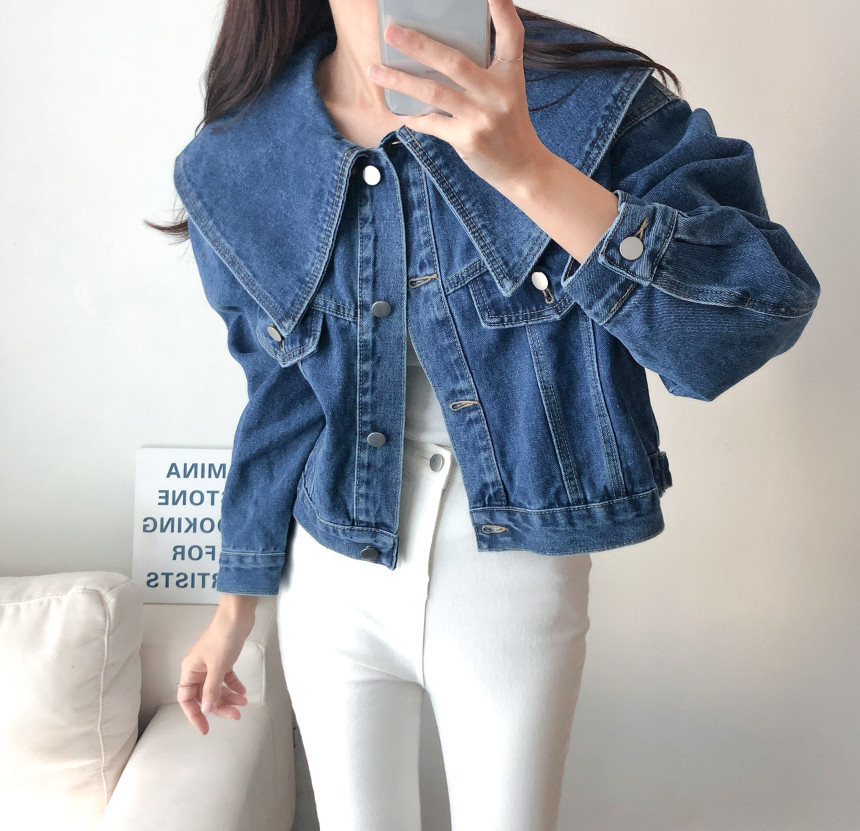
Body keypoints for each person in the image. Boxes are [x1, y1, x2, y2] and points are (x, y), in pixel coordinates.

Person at [151, 1, 821, 828]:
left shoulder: (589, 102)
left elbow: (754, 312)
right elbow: (280, 395)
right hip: (330, 577)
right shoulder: (244, 157)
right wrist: (234, 607)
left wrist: (528, 168)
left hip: (510, 581)